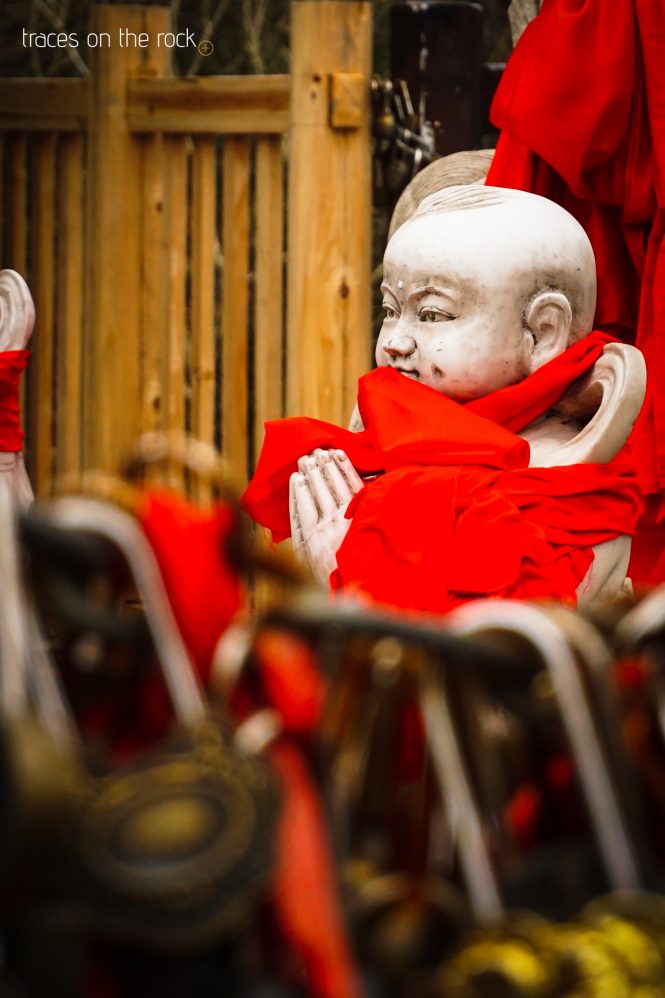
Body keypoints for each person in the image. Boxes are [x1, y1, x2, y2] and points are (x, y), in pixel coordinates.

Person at [243, 186, 645, 613]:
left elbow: (493, 665)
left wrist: (344, 574)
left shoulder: (567, 490)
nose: (396, 342)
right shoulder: (372, 454)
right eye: (390, 310)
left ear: (542, 332)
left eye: (433, 315)